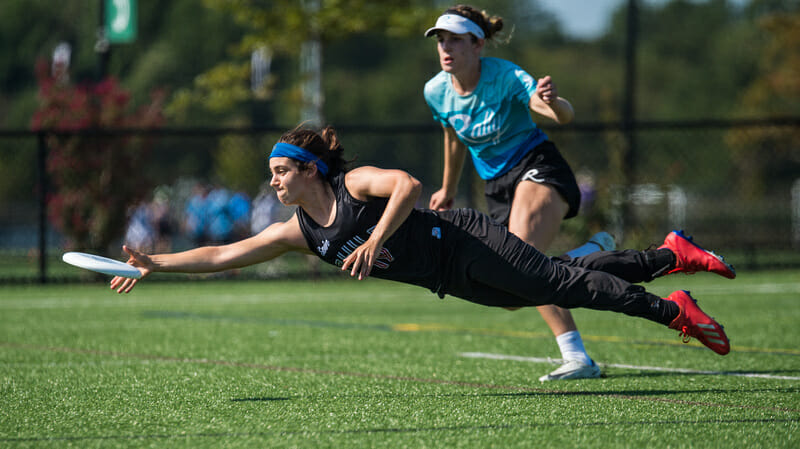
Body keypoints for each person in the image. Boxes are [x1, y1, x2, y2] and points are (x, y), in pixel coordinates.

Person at [111, 125, 737, 363]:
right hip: (451, 279)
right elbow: (222, 256)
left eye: (280, 170)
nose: (271, 180)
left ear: (308, 170)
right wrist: (153, 264)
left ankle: (672, 309)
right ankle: (667, 255)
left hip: (467, 241)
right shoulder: (296, 233)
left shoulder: (353, 184)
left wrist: (374, 236)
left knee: (555, 284)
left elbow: (408, 185)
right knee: (551, 276)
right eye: (272, 173)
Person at [423, 5, 610, 380]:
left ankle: (577, 358)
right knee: (509, 289)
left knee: (521, 261)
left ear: (478, 46)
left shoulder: (506, 77)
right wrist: (447, 187)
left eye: (456, 40)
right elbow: (453, 138)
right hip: (497, 188)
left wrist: (554, 101)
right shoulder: (435, 91)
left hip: (536, 166)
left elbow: (560, 115)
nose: (446, 47)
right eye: (441, 40)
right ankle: (593, 253)